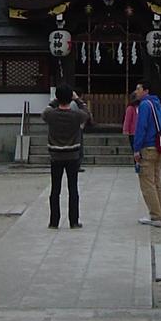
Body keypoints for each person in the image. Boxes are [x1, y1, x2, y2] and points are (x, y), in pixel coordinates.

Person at [42, 83, 91, 229]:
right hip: (72, 154)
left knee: (55, 189)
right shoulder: (76, 115)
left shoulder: (51, 115)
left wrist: (56, 100)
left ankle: (54, 221)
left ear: (57, 97)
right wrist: (77, 99)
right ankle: (74, 221)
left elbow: (46, 110)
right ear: (70, 98)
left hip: (56, 155)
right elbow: (86, 112)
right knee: (73, 188)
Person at [132, 80, 161, 227]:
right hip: (157, 145)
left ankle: (155, 215)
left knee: (147, 183)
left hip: (147, 146)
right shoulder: (156, 104)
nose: (136, 92)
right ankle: (160, 212)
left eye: (138, 89)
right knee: (156, 181)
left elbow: (141, 127)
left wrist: (136, 148)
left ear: (146, 91)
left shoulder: (145, 105)